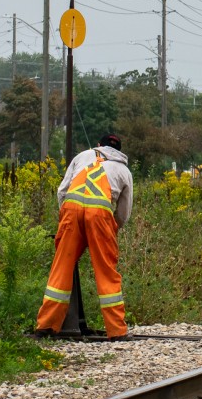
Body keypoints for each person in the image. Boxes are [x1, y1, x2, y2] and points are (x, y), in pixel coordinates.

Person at [34, 133, 134, 340]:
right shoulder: (124, 171)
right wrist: (111, 229)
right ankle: (116, 331)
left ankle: (46, 326)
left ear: (99, 145)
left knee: (62, 268)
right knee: (106, 272)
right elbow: (124, 212)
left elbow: (62, 191)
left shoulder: (82, 156)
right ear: (119, 151)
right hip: (100, 217)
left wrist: (67, 218)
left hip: (71, 210)